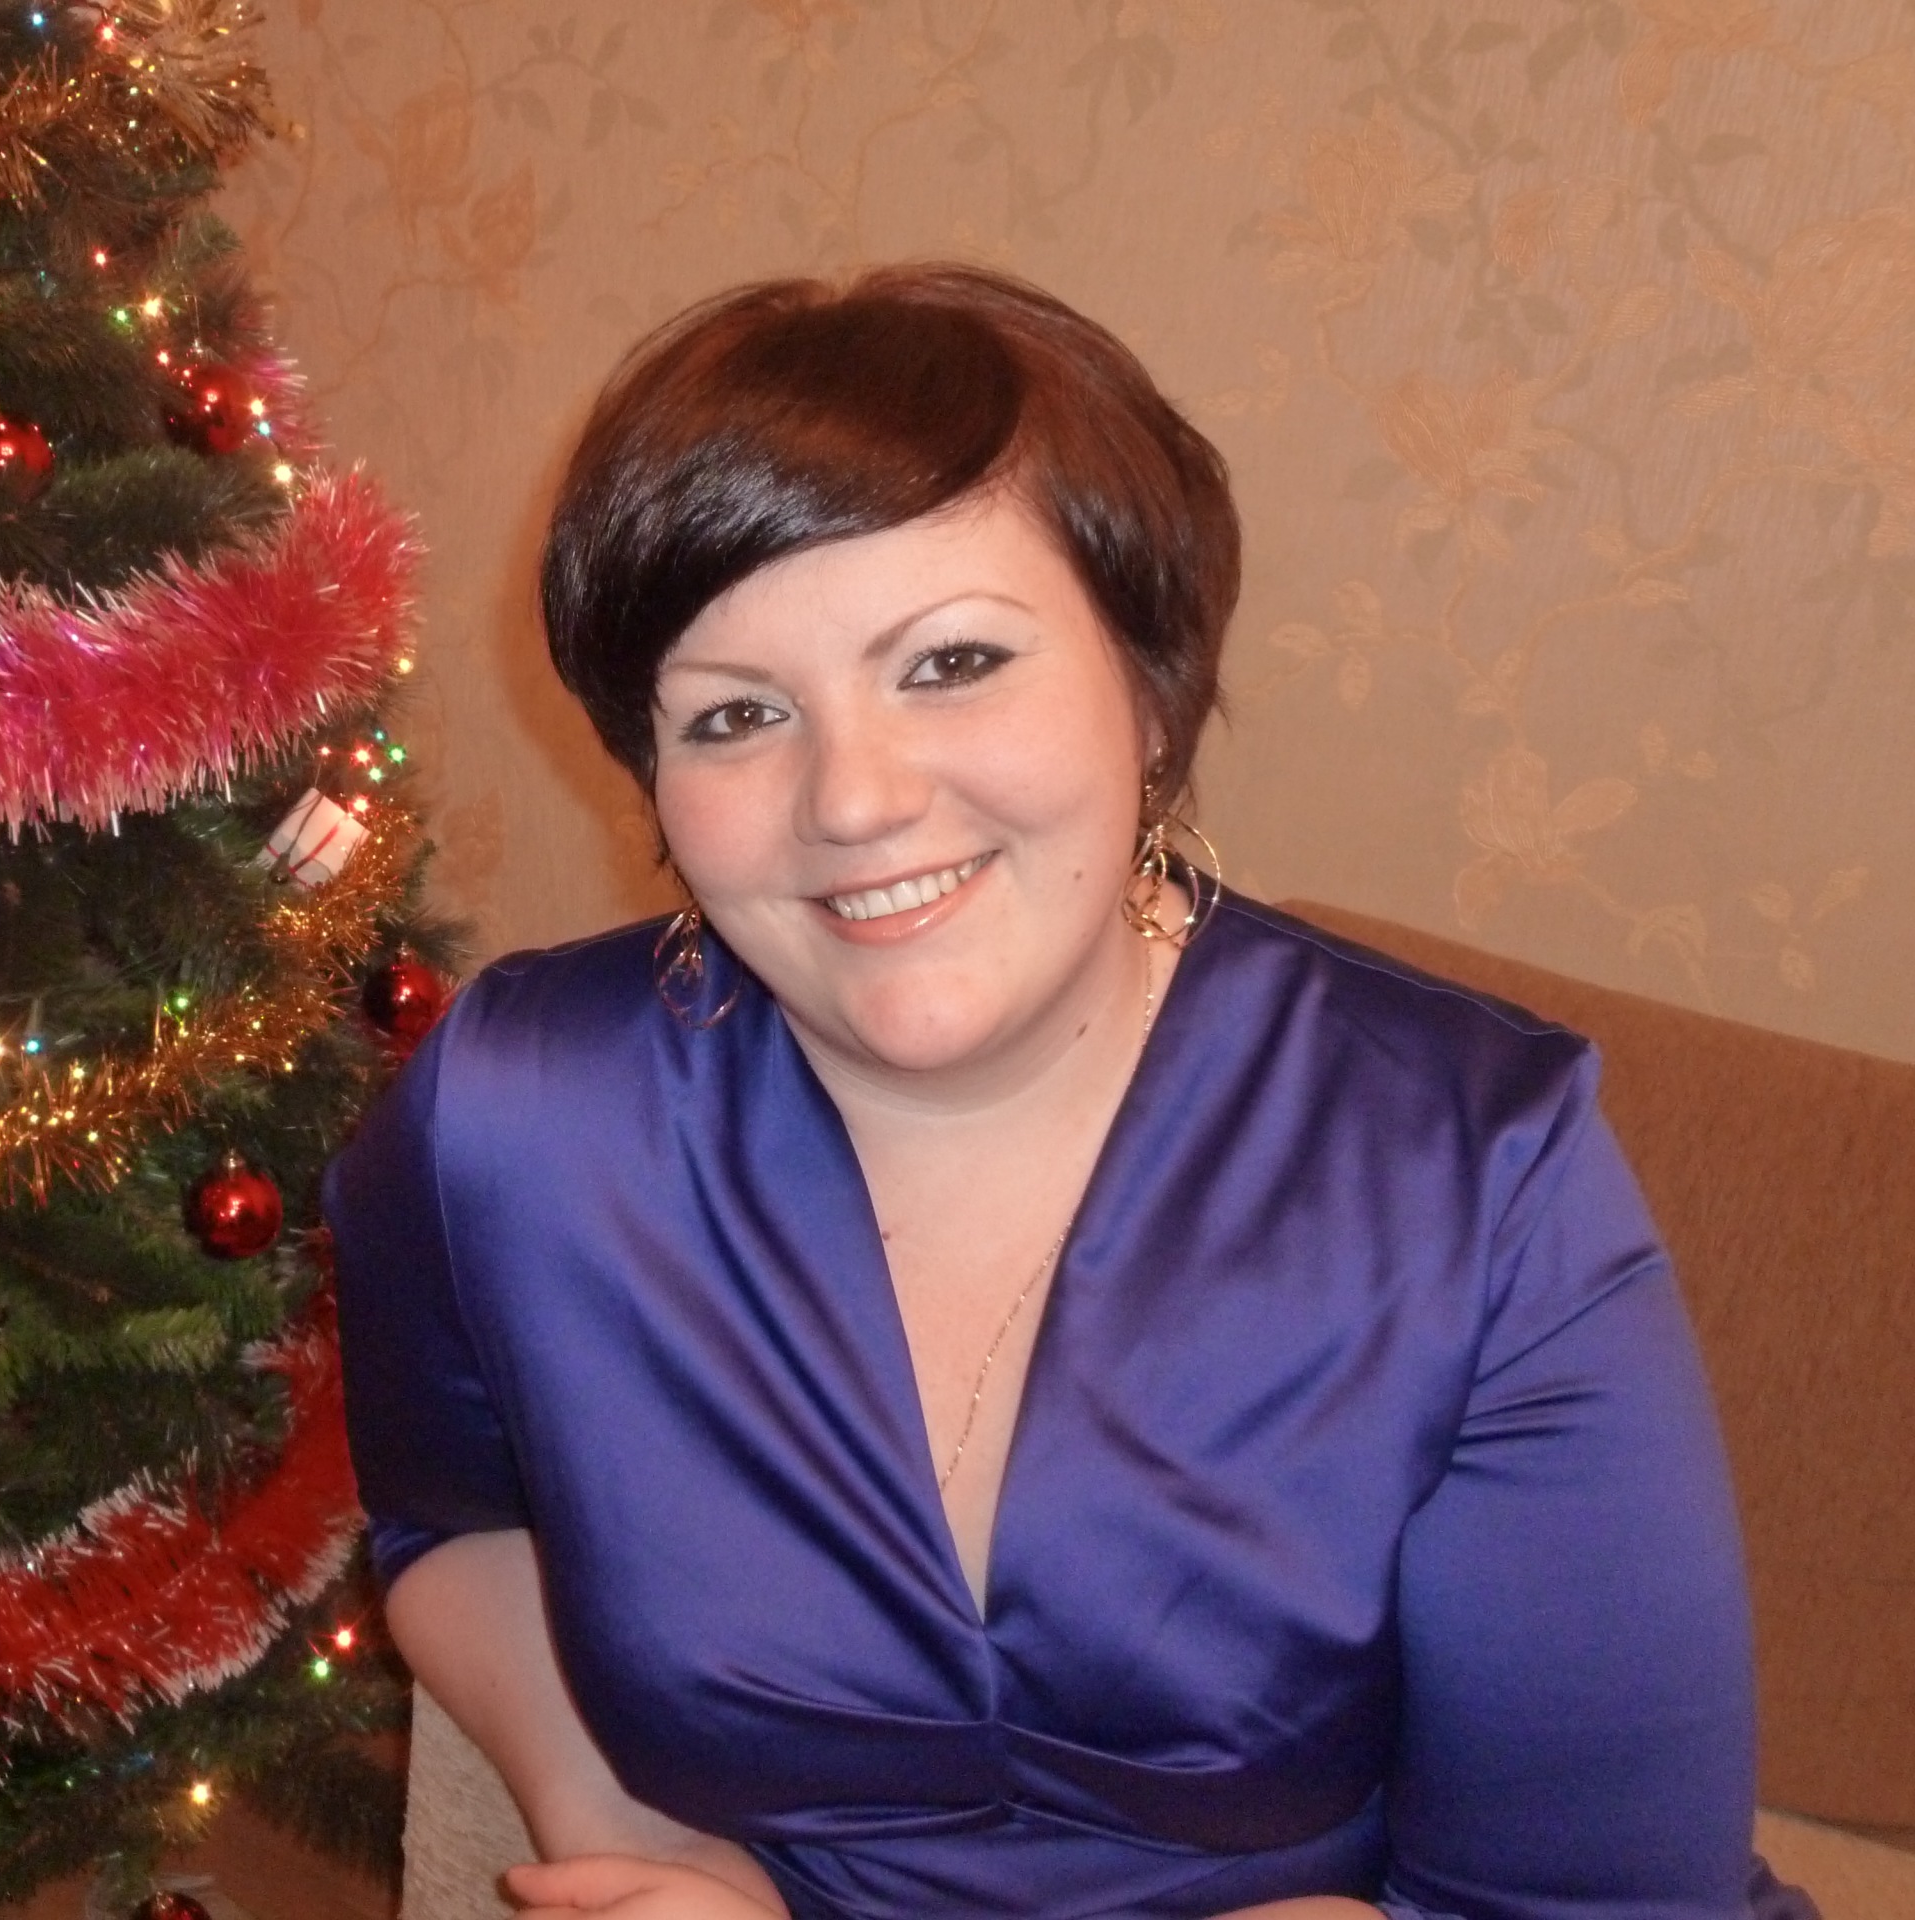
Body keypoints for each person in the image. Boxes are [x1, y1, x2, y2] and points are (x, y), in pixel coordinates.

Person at [326, 265, 1808, 1919]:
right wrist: (642, 1842)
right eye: (736, 715)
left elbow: (1599, 1892)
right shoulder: (515, 1119)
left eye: (952, 661)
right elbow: (447, 1523)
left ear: (1149, 688)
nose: (854, 800)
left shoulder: (1470, 1168)